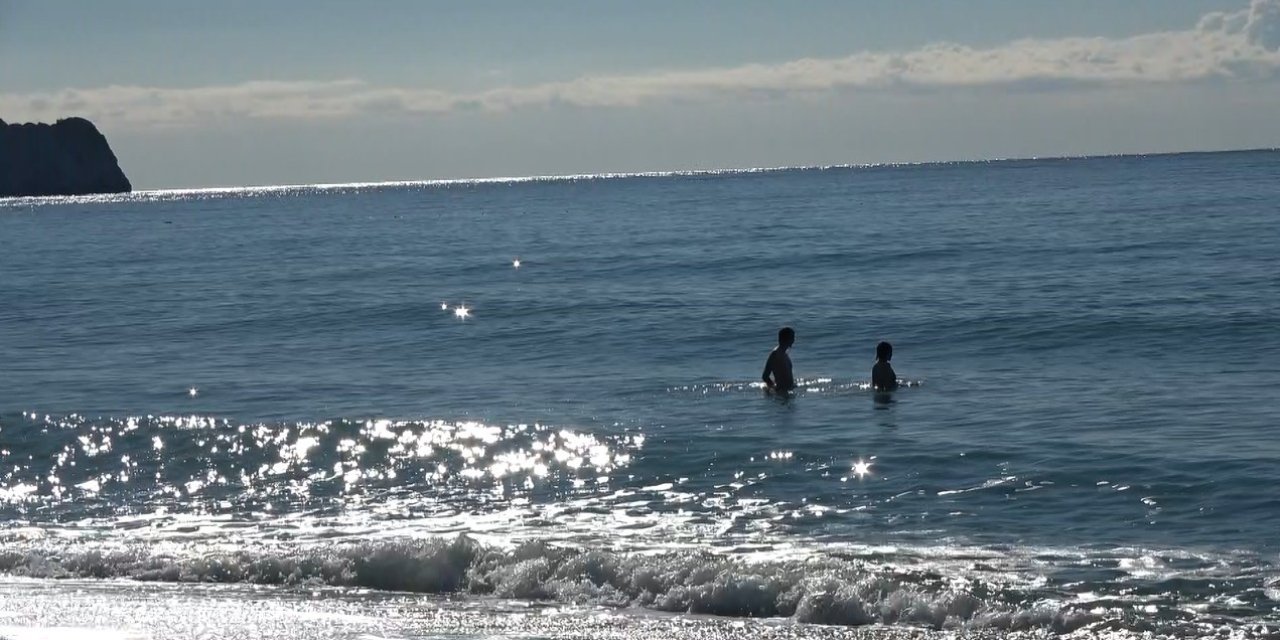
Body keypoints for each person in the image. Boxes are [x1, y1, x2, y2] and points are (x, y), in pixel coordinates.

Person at [762, 327, 796, 393]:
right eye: (792, 337)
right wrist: (774, 388)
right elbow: (765, 376)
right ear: (786, 339)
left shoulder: (784, 353)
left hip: (788, 390)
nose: (794, 340)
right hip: (782, 392)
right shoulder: (775, 354)